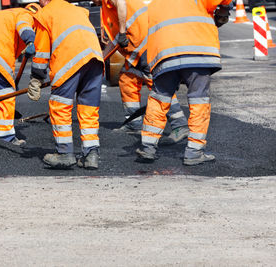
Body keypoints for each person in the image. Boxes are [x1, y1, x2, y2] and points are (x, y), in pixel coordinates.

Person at [136, 0, 232, 165]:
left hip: (165, 55)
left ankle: (148, 147)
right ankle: (194, 152)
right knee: (198, 98)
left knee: (159, 98)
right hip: (197, 50)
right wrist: (223, 10)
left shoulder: (154, 3)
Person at [96, 0, 189, 145]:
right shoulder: (106, 7)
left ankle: (180, 124)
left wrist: (121, 33)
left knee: (160, 87)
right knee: (127, 79)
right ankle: (134, 123)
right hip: (136, 51)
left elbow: (121, 4)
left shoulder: (111, 2)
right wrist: (100, 58)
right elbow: (115, 40)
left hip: (147, 46)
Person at [27, 0, 104, 169]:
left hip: (69, 59)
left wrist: (36, 78)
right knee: (88, 110)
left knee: (60, 106)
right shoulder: (78, 11)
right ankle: (91, 155)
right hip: (95, 58)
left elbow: (41, 53)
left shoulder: (44, 14)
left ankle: (64, 153)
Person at [0, 3, 41, 147]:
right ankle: (6, 136)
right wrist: (30, 40)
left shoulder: (8, 14)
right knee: (5, 92)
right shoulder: (27, 15)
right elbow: (23, 25)